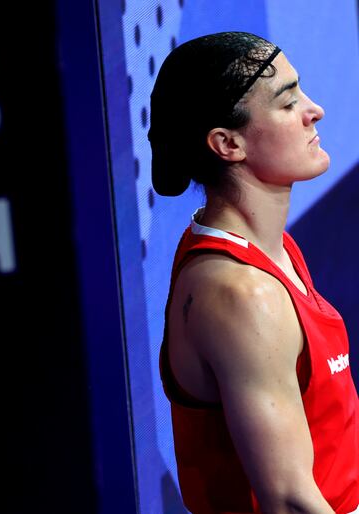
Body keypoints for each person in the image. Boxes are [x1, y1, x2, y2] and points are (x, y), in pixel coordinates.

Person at [150, 32, 359, 514]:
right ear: (228, 143)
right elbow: (287, 501)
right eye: (288, 104)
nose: (316, 110)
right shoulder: (241, 294)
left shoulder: (272, 249)